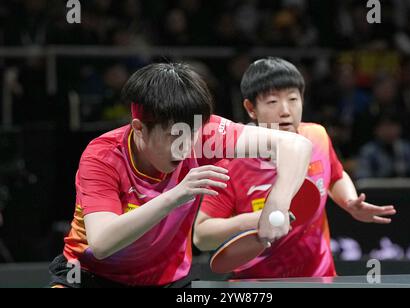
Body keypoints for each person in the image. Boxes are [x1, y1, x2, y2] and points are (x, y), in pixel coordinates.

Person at [49, 62, 313, 288]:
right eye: (174, 136)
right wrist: (176, 195)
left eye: (193, 134)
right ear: (139, 129)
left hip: (167, 281)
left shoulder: (206, 134)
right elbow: (102, 242)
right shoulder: (103, 156)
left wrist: (276, 203)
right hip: (91, 277)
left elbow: (296, 145)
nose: (186, 147)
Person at [194, 58, 396, 279]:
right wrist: (256, 219)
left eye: (293, 99)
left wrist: (349, 202)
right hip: (258, 285)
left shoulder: (317, 136)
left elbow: (336, 175)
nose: (285, 111)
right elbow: (202, 236)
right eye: (272, 102)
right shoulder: (231, 165)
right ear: (251, 108)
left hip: (321, 279)